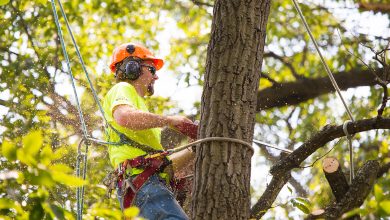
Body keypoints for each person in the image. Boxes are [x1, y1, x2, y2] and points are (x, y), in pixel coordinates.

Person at [103, 42, 194, 219]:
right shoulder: (123, 89)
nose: (156, 77)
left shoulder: (139, 106)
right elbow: (124, 116)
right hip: (144, 186)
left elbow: (163, 165)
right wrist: (170, 120)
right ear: (133, 68)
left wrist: (194, 148)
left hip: (147, 185)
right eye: (152, 70)